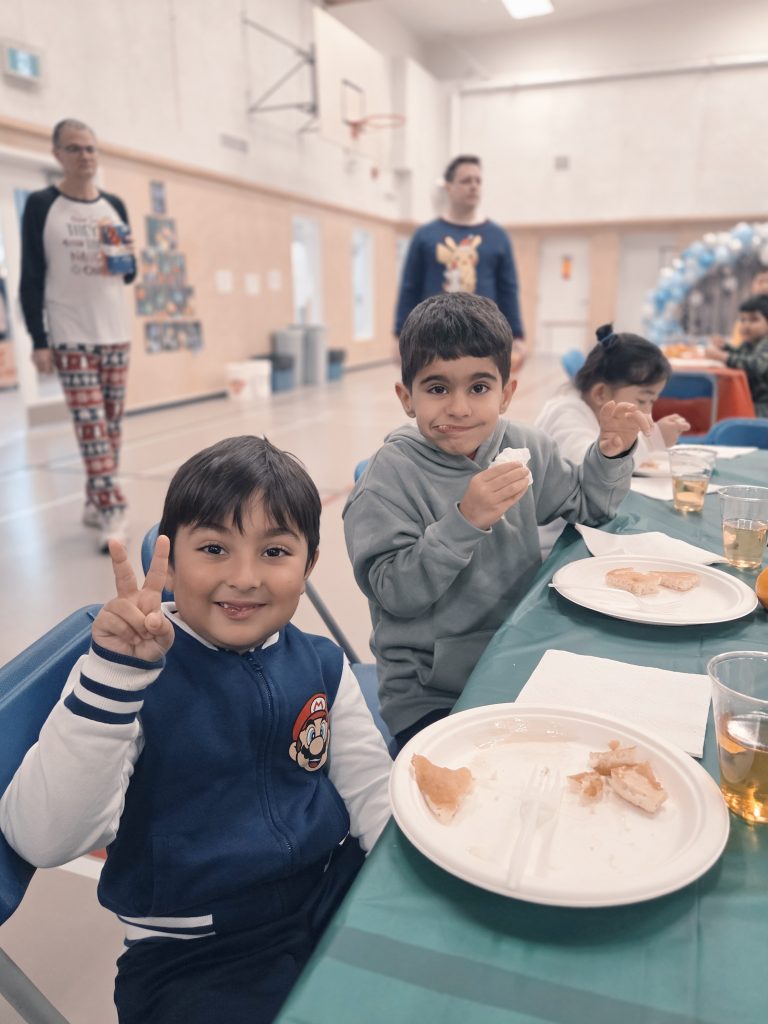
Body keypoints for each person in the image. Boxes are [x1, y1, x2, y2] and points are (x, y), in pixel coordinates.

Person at [0, 435, 392, 1024]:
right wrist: (115, 678)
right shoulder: (128, 675)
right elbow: (44, 839)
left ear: (309, 565)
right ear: (172, 558)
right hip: (196, 953)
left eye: (274, 551)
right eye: (213, 548)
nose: (244, 577)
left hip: (328, 891)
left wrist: (403, 889)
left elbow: (371, 790)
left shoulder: (321, 663)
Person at [343, 293, 650, 751]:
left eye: (479, 388)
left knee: (609, 739)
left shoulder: (527, 447)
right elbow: (395, 594)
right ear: (407, 398)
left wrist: (610, 453)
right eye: (437, 388)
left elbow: (590, 507)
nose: (459, 408)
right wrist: (464, 521)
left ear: (506, 394)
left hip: (519, 657)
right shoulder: (389, 478)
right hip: (431, 692)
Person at [19, 118, 136, 552]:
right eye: (74, 148)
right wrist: (40, 340)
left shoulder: (114, 205)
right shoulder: (42, 205)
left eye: (90, 148)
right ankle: (113, 510)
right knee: (91, 427)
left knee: (110, 428)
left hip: (115, 334)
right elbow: (32, 276)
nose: (84, 156)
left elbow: (128, 275)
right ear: (57, 155)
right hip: (70, 334)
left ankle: (94, 499)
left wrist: (127, 257)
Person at [534, 324, 689, 555]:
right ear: (601, 393)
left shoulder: (586, 408)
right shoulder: (566, 415)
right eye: (642, 400)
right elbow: (593, 475)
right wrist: (652, 440)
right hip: (553, 548)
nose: (648, 412)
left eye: (653, 401)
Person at [394, 154, 526, 370]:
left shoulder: (498, 237)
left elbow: (508, 289)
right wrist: (399, 333)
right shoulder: (425, 236)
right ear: (449, 187)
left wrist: (517, 336)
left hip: (484, 338)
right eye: (466, 181)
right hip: (432, 338)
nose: (473, 186)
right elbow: (410, 287)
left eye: (478, 181)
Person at [705, 294, 768, 416]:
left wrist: (723, 356)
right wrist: (725, 347)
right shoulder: (750, 343)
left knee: (721, 411)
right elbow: (742, 355)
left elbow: (758, 365)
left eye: (754, 320)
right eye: (742, 320)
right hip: (752, 402)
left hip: (762, 408)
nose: (746, 325)